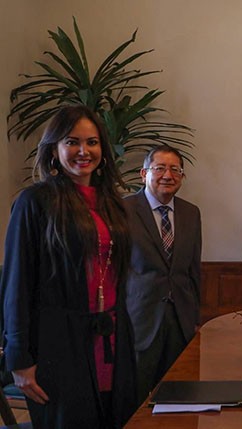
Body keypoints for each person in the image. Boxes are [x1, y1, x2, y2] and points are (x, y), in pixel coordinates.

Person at [0, 105, 137, 427]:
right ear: (54, 149)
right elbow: (17, 283)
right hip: (58, 345)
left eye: (92, 142)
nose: (83, 151)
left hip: (112, 339)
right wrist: (19, 359)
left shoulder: (113, 203)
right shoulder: (34, 201)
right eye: (72, 142)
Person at [124, 145, 202, 405]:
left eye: (175, 170)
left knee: (180, 398)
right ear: (143, 173)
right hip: (139, 321)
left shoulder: (191, 213)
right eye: (160, 168)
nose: (168, 175)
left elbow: (193, 269)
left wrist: (195, 318)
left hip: (180, 322)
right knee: (134, 401)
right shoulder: (123, 210)